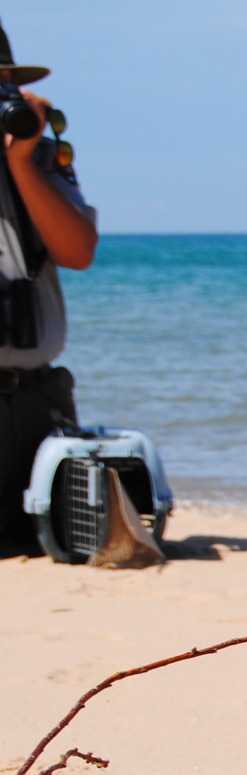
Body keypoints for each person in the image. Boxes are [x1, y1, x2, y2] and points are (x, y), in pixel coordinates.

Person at [0, 19, 96, 555]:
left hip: (34, 400)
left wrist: (22, 164)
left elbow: (77, 252)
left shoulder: (39, 155)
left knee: (48, 541)